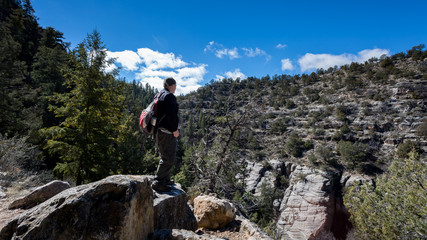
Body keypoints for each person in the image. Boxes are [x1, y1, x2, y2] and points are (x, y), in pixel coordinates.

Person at [151, 77, 179, 192]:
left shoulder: (159, 95)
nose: (175, 89)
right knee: (168, 158)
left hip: (157, 130)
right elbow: (171, 115)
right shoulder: (169, 96)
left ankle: (165, 179)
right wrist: (175, 130)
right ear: (171, 85)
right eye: (175, 86)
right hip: (166, 132)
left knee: (165, 155)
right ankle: (158, 182)